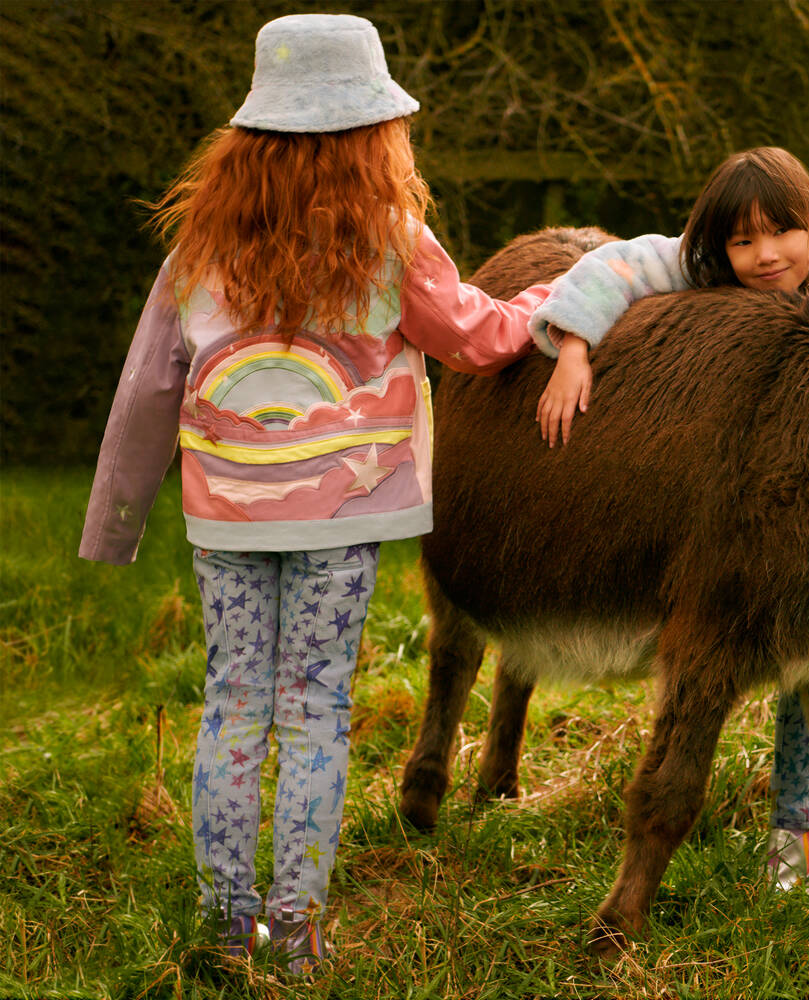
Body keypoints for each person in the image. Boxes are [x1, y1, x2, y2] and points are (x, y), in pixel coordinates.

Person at [79, 13, 554, 978]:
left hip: (228, 513)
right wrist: (563, 299)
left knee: (231, 705)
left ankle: (223, 925)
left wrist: (116, 524)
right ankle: (295, 932)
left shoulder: (200, 249)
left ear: (250, 137)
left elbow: (146, 389)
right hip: (344, 515)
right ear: (374, 132)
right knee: (315, 710)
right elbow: (479, 339)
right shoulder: (391, 242)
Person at [526, 146, 809, 895]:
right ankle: (793, 836)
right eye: (740, 242)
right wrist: (574, 343)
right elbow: (621, 265)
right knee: (794, 666)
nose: (761, 256)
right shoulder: (712, 269)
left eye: (779, 234)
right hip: (779, 506)